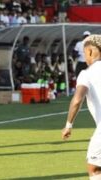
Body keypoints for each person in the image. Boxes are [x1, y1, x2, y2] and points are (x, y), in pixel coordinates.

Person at [61, 34, 101, 180]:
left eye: (85, 53)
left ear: (90, 51)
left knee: (94, 168)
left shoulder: (86, 74)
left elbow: (77, 100)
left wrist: (68, 125)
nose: (85, 57)